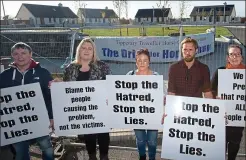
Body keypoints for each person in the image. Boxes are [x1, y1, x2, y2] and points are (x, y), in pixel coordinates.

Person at [0, 42, 54, 160]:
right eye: (16, 54)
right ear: (12, 56)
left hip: (40, 119)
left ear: (30, 54)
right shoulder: (4, 76)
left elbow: (50, 97)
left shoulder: (43, 73)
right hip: (17, 122)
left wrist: (51, 116)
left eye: (23, 53)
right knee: (21, 151)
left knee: (47, 148)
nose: (20, 56)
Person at [62, 37, 111, 160]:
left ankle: (104, 157)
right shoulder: (70, 68)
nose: (86, 50)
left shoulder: (103, 66)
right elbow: (65, 89)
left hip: (100, 109)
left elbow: (110, 86)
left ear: (94, 51)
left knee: (103, 134)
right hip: (82, 110)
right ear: (79, 50)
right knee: (89, 135)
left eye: (90, 48)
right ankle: (92, 157)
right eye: (83, 48)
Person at [162, 37, 213, 124]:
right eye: (185, 49)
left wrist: (215, 112)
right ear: (181, 50)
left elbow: (207, 93)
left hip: (197, 111)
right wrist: (167, 112)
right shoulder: (174, 68)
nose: (187, 52)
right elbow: (171, 93)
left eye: (190, 49)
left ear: (196, 50)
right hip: (178, 111)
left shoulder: (204, 68)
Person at [211, 44, 245, 160]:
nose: (235, 57)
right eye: (232, 54)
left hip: (238, 116)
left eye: (237, 54)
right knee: (220, 143)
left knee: (235, 142)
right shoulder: (220, 71)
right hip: (221, 115)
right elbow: (211, 90)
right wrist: (216, 99)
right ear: (227, 57)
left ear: (242, 57)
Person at [126, 48, 159, 160]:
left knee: (152, 141)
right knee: (140, 140)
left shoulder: (156, 77)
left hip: (152, 115)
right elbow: (121, 94)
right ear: (136, 62)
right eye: (139, 60)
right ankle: (142, 157)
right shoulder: (129, 76)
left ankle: (152, 158)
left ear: (149, 62)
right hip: (136, 115)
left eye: (145, 60)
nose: (142, 63)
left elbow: (163, 96)